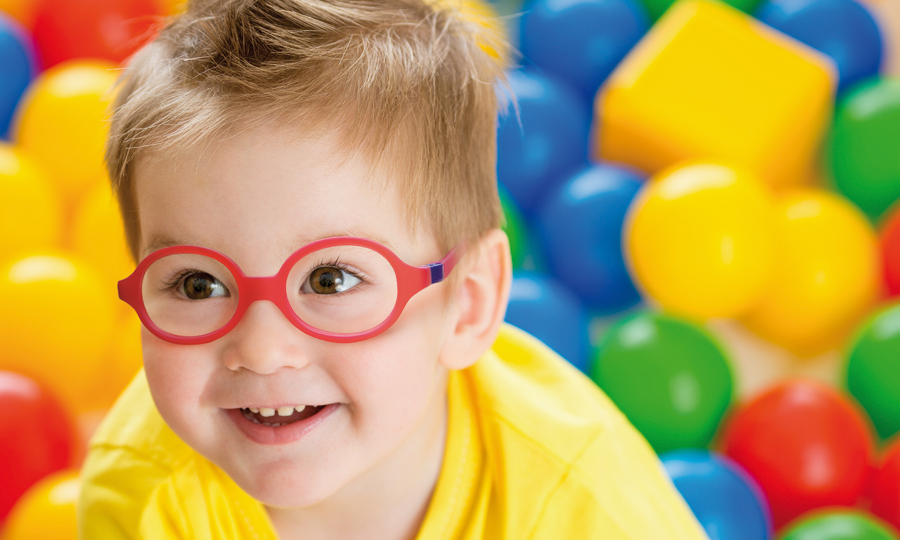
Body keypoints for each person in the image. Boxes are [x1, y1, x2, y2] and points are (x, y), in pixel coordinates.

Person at [78, 0, 707, 538]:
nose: (262, 349)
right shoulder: (144, 489)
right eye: (199, 284)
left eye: (330, 279)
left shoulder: (585, 508)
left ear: (469, 303)